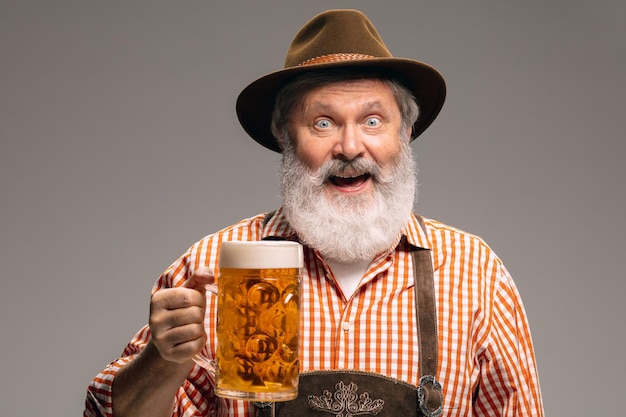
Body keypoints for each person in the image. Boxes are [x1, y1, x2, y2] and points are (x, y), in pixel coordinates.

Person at [85, 9, 544, 417]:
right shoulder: (215, 267)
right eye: (322, 123)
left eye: (372, 121)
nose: (348, 147)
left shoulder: (474, 273)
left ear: (404, 132)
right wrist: (161, 361)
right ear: (285, 135)